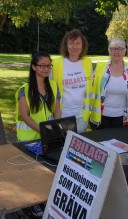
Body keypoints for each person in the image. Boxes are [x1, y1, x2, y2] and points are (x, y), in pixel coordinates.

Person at [15, 51, 60, 217]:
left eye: (49, 65)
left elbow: (57, 110)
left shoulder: (54, 86)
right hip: (29, 139)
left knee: (47, 171)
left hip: (48, 137)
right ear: (34, 67)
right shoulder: (24, 90)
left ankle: (46, 199)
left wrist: (56, 128)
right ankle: (34, 203)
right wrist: (42, 131)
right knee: (32, 173)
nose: (46, 69)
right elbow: (25, 116)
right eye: (42, 65)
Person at [90, 38, 128, 129]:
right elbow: (90, 90)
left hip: (122, 119)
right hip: (101, 118)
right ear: (109, 50)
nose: (116, 51)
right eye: (113, 48)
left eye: (120, 48)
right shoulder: (100, 68)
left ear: (125, 50)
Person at [51, 29, 92, 133]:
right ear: (66, 45)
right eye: (71, 43)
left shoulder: (87, 63)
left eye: (78, 43)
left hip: (82, 115)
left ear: (82, 46)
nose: (74, 46)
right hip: (63, 114)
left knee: (79, 145)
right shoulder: (56, 63)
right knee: (64, 143)